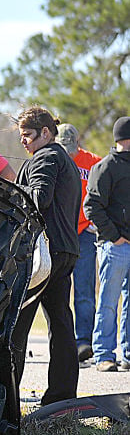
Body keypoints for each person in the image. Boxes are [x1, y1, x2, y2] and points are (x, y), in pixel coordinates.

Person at [10, 107, 81, 405]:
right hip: (64, 250)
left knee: (17, 325)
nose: (23, 142)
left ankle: (6, 398)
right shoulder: (64, 160)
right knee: (62, 324)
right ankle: (61, 400)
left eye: (28, 135)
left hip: (43, 254)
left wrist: (10, 192)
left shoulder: (47, 157)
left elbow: (39, 198)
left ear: (46, 133)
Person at [83, 117, 130, 372]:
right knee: (109, 302)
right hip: (115, 247)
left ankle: (128, 355)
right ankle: (103, 355)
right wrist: (114, 236)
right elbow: (91, 207)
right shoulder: (106, 167)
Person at [55, 124, 104, 362]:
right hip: (60, 232)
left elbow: (107, 192)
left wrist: (99, 222)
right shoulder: (54, 158)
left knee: (84, 290)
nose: (68, 153)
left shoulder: (94, 162)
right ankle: (65, 342)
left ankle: (84, 341)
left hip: (84, 232)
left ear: (78, 143)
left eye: (71, 148)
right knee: (58, 290)